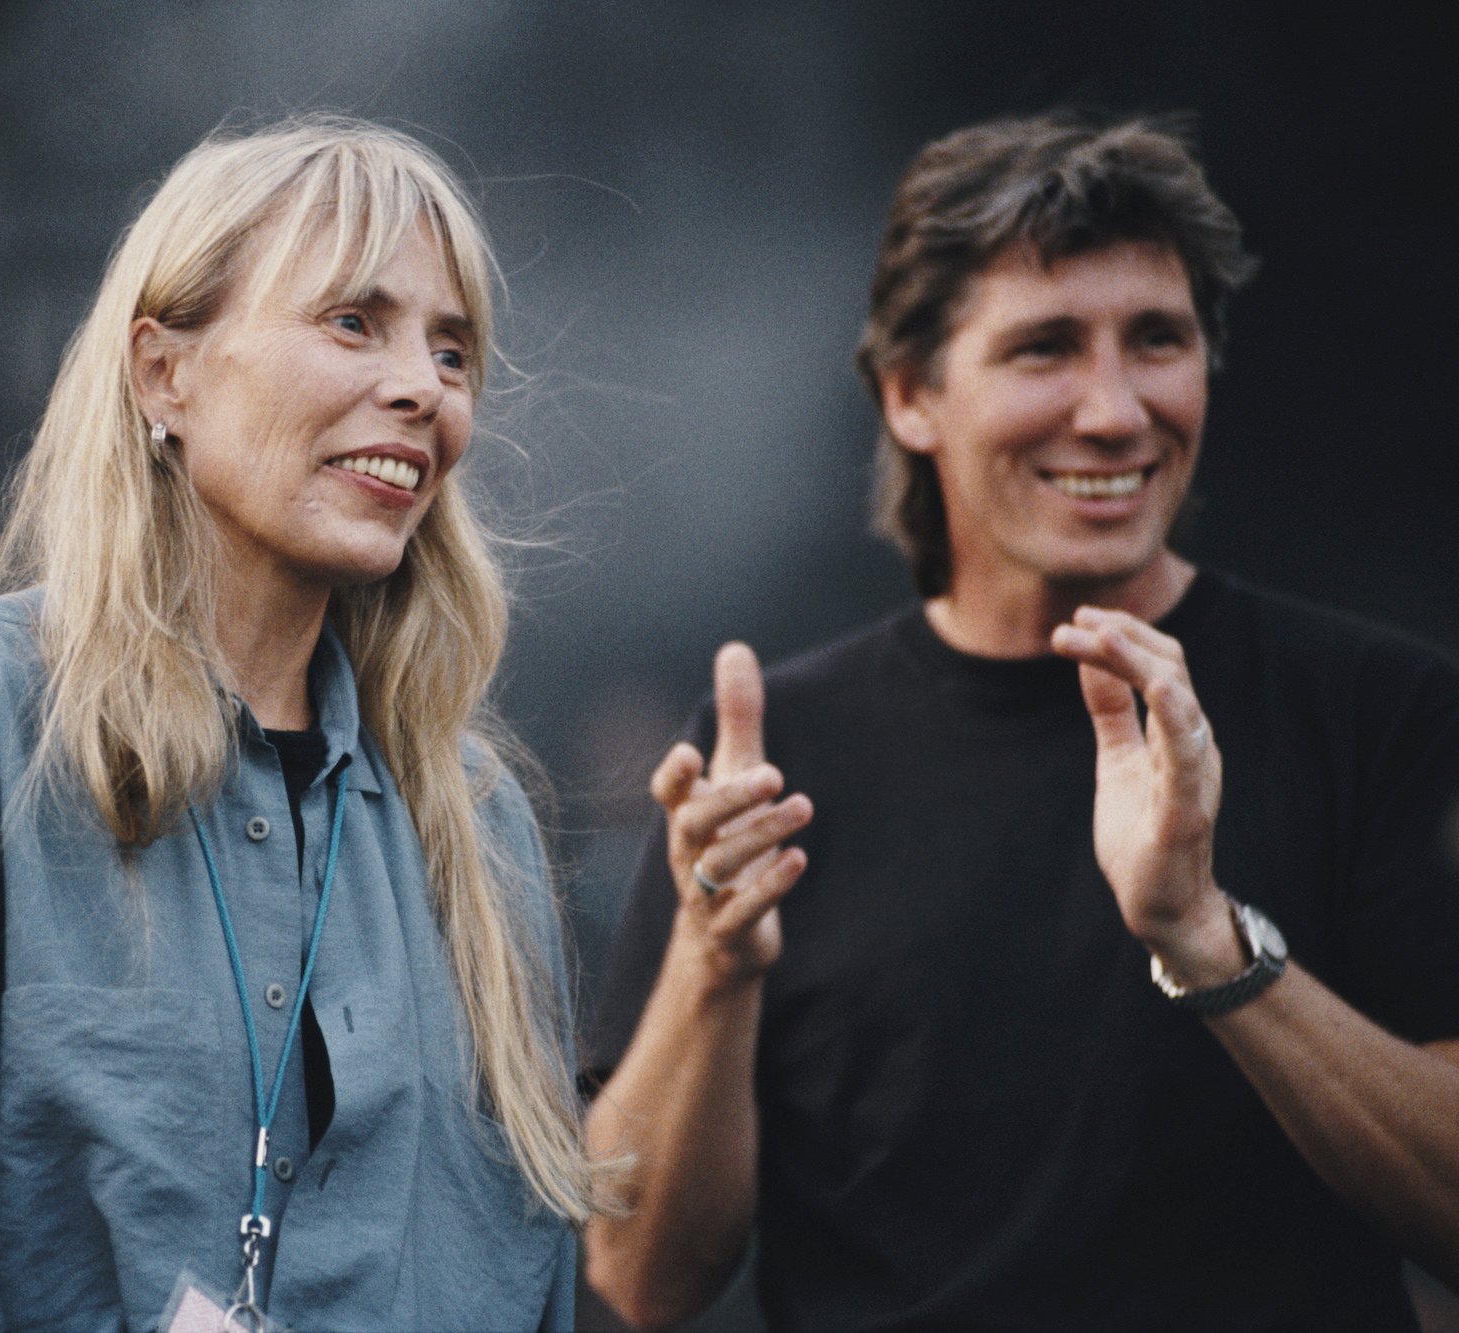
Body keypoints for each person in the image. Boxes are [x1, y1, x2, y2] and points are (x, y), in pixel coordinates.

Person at [0, 116, 591, 1333]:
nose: (421, 388)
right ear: (165, 372)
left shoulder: (475, 825)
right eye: (352, 322)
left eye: (451, 350)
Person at [584, 112, 1459, 1329]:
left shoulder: (1381, 713)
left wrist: (1204, 941)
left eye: (1155, 340)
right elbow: (634, 1282)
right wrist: (711, 969)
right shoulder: (772, 754)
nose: (1111, 411)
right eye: (1044, 348)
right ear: (908, 396)